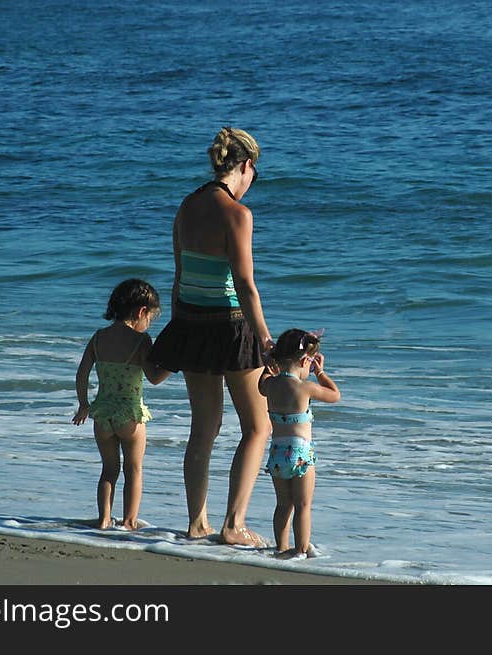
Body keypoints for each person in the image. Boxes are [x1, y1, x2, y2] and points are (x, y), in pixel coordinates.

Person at [148, 126, 274, 547]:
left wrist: (179, 331)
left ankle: (196, 523)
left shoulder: (187, 206)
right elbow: (245, 284)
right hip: (232, 325)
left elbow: (179, 277)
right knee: (258, 427)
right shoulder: (237, 214)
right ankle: (233, 524)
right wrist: (266, 339)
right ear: (246, 165)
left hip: (192, 323)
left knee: (204, 427)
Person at [73, 279, 170, 531]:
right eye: (150, 317)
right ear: (141, 312)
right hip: (129, 414)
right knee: (134, 470)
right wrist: (174, 362)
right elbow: (155, 378)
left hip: (102, 413)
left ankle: (104, 520)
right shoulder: (141, 341)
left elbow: (82, 372)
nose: (149, 323)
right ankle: (129, 521)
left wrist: (84, 403)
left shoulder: (98, 338)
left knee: (108, 470)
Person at [259, 329, 340, 558]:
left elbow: (261, 386)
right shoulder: (306, 387)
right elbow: (335, 395)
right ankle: (301, 550)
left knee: (283, 504)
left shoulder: (272, 385)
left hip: (276, 453)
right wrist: (320, 372)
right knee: (303, 506)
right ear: (306, 360)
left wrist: (267, 367)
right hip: (300, 453)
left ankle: (281, 547)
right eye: (310, 363)